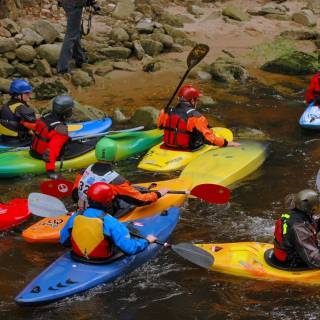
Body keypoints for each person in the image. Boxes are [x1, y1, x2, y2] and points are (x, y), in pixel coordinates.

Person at [60, 182, 156, 261]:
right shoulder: (112, 222)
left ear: (88, 198)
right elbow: (131, 249)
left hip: (78, 257)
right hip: (103, 260)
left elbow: (64, 241)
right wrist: (146, 241)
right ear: (108, 202)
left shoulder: (76, 215)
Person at [157, 84, 240, 150]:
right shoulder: (196, 116)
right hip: (188, 148)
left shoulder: (167, 111)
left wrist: (163, 112)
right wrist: (226, 143)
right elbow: (209, 139)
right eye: (196, 99)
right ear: (192, 101)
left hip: (167, 146)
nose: (196, 101)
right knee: (201, 137)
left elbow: (160, 126)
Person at [72, 159, 168, 212]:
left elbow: (74, 192)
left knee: (126, 192)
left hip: (81, 206)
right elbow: (140, 201)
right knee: (130, 199)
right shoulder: (116, 180)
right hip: (103, 213)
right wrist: (158, 194)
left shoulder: (86, 169)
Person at [273, 189, 320, 268]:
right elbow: (312, 259)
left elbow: (311, 226)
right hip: (292, 261)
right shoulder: (299, 228)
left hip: (294, 250)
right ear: (312, 209)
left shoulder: (299, 214)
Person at [30, 95, 74, 179]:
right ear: (65, 112)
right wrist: (50, 171)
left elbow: (37, 130)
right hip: (43, 157)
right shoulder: (61, 131)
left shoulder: (44, 117)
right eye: (70, 109)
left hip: (34, 151)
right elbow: (51, 151)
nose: (72, 111)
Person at [0, 79, 36, 144]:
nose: (29, 95)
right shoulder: (21, 107)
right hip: (19, 141)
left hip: (4, 139)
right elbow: (36, 125)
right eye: (26, 93)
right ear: (18, 95)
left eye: (29, 93)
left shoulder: (6, 104)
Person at [57, 0, 87, 74]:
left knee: (75, 30)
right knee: (71, 35)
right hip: (75, 4)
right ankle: (62, 67)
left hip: (67, 3)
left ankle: (80, 58)